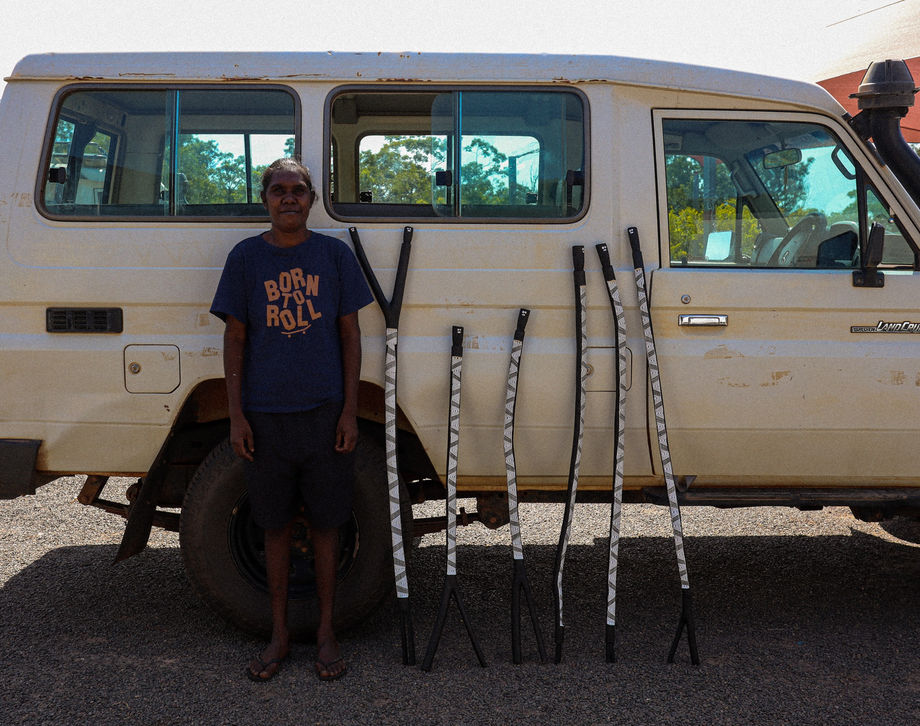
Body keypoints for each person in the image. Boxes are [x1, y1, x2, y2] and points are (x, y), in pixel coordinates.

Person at [210, 158, 373, 682]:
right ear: (265, 199)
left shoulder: (333, 255)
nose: (288, 198)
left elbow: (350, 334)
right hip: (265, 418)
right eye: (278, 190)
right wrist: (237, 417)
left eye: (298, 190)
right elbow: (235, 336)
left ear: (311, 200)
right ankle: (279, 633)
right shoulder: (245, 258)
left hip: (325, 415)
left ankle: (326, 632)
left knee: (327, 526)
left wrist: (349, 410)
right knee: (274, 527)